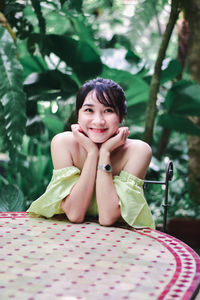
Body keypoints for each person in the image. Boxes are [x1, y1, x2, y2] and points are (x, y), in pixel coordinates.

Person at [27, 78, 155, 229]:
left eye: (108, 111)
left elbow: (107, 217)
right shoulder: (63, 143)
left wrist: (105, 152)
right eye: (89, 110)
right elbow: (75, 214)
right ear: (78, 114)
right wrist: (93, 153)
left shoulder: (138, 151)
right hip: (66, 235)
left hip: (120, 240)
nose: (98, 121)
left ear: (121, 117)